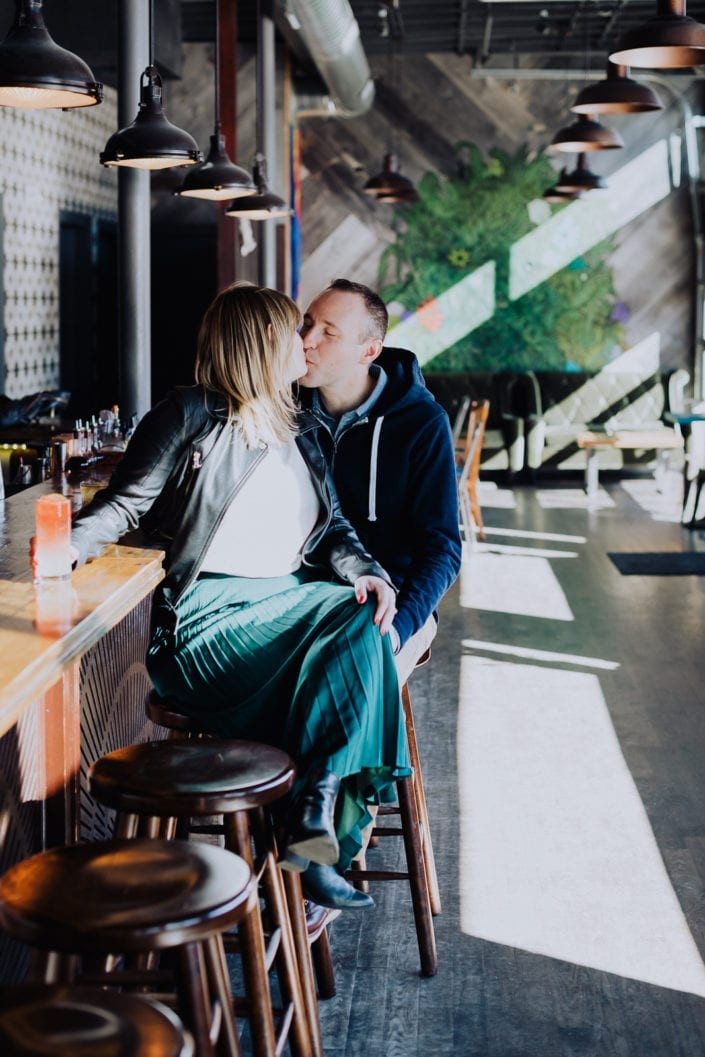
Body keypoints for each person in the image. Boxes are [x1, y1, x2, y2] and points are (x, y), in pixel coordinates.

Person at [58, 281, 411, 911]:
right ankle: (313, 819)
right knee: (356, 625)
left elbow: (330, 526)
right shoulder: (189, 413)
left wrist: (366, 570)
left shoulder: (300, 427)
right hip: (206, 625)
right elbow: (126, 503)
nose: (307, 341)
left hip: (286, 614)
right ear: (263, 341)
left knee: (363, 611)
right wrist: (64, 547)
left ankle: (313, 814)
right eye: (294, 329)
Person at [297, 278, 462, 684]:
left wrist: (400, 629)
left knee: (358, 683)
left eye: (328, 333)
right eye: (306, 324)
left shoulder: (421, 422)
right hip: (304, 598)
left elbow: (443, 548)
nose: (306, 340)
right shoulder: (284, 409)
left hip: (392, 605)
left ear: (368, 351)